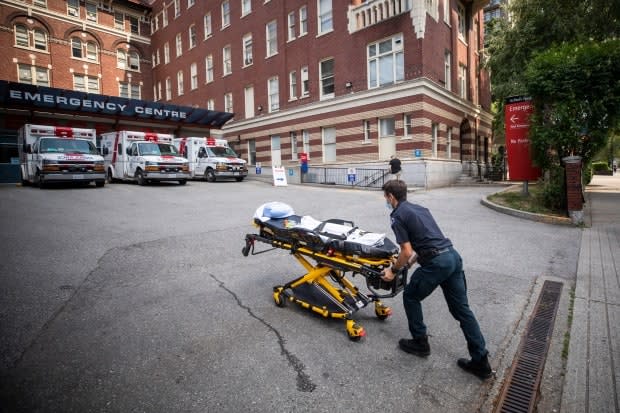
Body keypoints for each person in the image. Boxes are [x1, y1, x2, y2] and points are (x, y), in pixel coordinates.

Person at [380, 179, 492, 380]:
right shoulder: (420, 209)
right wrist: (411, 263)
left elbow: (405, 250)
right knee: (462, 310)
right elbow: (426, 240)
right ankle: (481, 362)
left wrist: (393, 270)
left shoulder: (397, 215)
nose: (386, 201)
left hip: (437, 263)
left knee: (411, 296)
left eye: (386, 197)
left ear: (391, 196)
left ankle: (420, 343)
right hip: (452, 257)